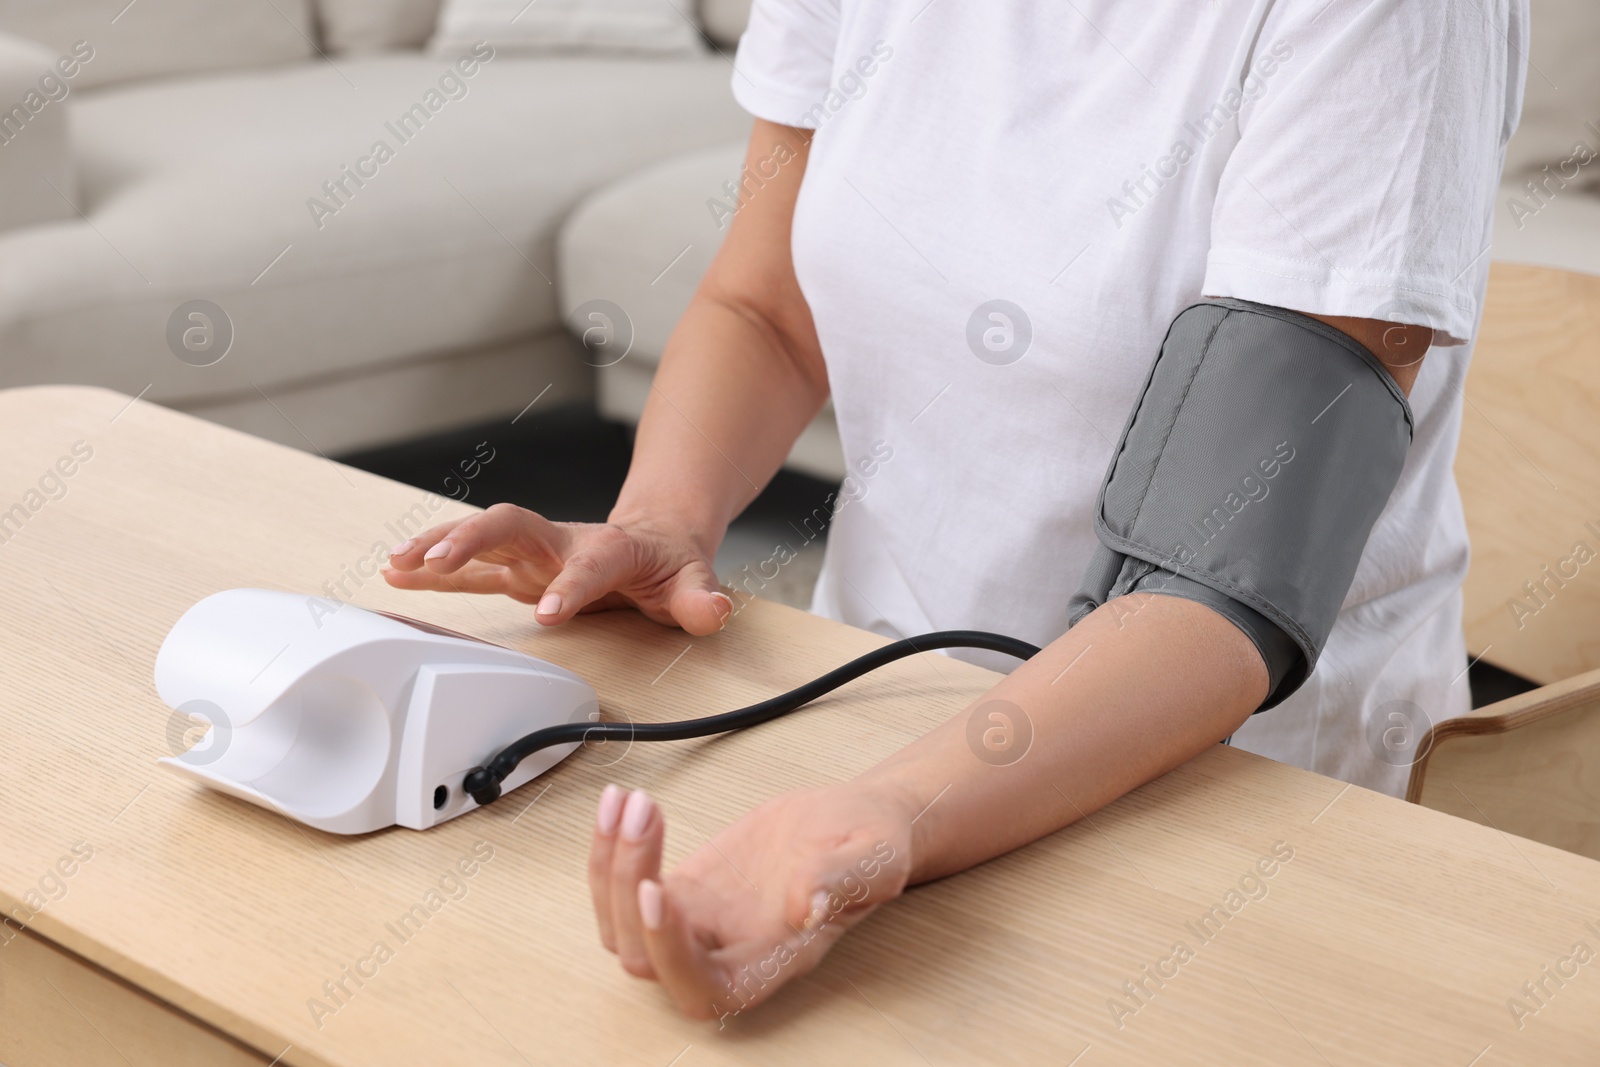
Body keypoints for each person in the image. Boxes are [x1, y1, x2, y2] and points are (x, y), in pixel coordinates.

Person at [384, 0, 1525, 1021]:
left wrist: (892, 812)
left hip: (1241, 796)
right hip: (879, 719)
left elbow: (1220, 578)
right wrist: (665, 519)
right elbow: (766, 304)